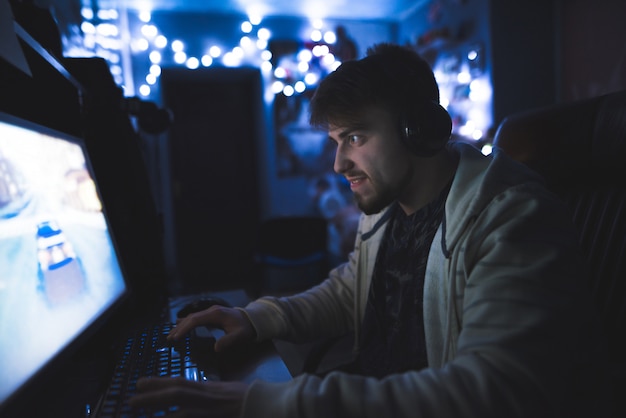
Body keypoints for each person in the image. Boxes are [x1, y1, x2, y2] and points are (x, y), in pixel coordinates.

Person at [129, 43, 612, 417]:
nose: (340, 163)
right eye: (338, 141)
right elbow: (351, 292)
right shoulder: (385, 209)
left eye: (356, 137)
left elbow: (490, 391)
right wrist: (258, 318)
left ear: (419, 129)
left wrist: (277, 404)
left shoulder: (509, 218)